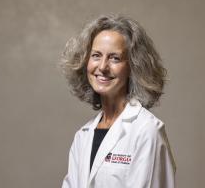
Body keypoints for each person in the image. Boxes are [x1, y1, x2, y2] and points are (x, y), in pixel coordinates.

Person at [60, 15, 176, 188]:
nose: (102, 67)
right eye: (96, 55)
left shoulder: (147, 131)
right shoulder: (83, 135)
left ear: (133, 66)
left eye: (115, 58)